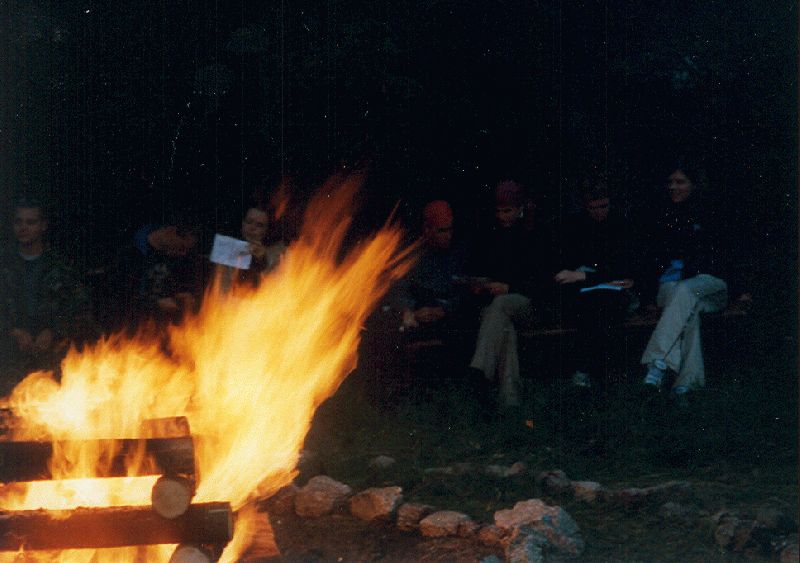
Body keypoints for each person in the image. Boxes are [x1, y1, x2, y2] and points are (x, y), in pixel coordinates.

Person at [638, 164, 749, 407]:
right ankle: (686, 384)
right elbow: (649, 261)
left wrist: (740, 290)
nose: (673, 187)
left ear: (694, 185)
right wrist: (646, 297)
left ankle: (658, 364)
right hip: (672, 288)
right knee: (687, 309)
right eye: (670, 182)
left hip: (710, 285)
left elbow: (730, 253)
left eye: (680, 182)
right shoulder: (661, 216)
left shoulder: (710, 213)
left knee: (685, 291)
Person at [466, 180, 554, 410]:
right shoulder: (491, 234)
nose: (502, 217)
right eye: (499, 211)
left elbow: (543, 281)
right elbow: (480, 269)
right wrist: (483, 284)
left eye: (508, 211)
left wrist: (510, 287)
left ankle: (480, 369)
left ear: (520, 208)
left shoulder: (535, 233)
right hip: (497, 308)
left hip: (531, 305)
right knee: (504, 327)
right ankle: (510, 399)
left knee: (501, 305)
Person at [553, 177, 636, 390]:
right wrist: (587, 276)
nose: (599, 211)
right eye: (593, 207)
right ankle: (590, 371)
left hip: (611, 291)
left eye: (603, 206)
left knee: (605, 301)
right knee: (589, 303)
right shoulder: (574, 226)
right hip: (582, 293)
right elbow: (565, 268)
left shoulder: (620, 224)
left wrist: (585, 275)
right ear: (585, 206)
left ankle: (596, 371)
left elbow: (622, 267)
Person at [0, 199, 92, 391]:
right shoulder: (4, 263)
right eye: (18, 222)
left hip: (53, 356)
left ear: (43, 226)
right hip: (9, 358)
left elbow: (80, 308)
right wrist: (13, 332)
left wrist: (54, 331)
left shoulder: (62, 266)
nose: (23, 228)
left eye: (30, 222)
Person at [113, 218, 203, 329]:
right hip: (139, 326)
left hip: (174, 326)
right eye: (182, 247)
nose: (183, 253)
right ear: (170, 232)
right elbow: (128, 300)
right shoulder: (130, 256)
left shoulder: (173, 256)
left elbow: (177, 287)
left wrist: (183, 295)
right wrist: (158, 303)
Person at [218, 205, 288, 291]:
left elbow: (275, 287)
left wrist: (262, 260)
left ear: (267, 230)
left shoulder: (278, 253)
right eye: (249, 222)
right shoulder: (227, 247)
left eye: (259, 225)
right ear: (243, 224)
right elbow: (221, 286)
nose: (252, 228)